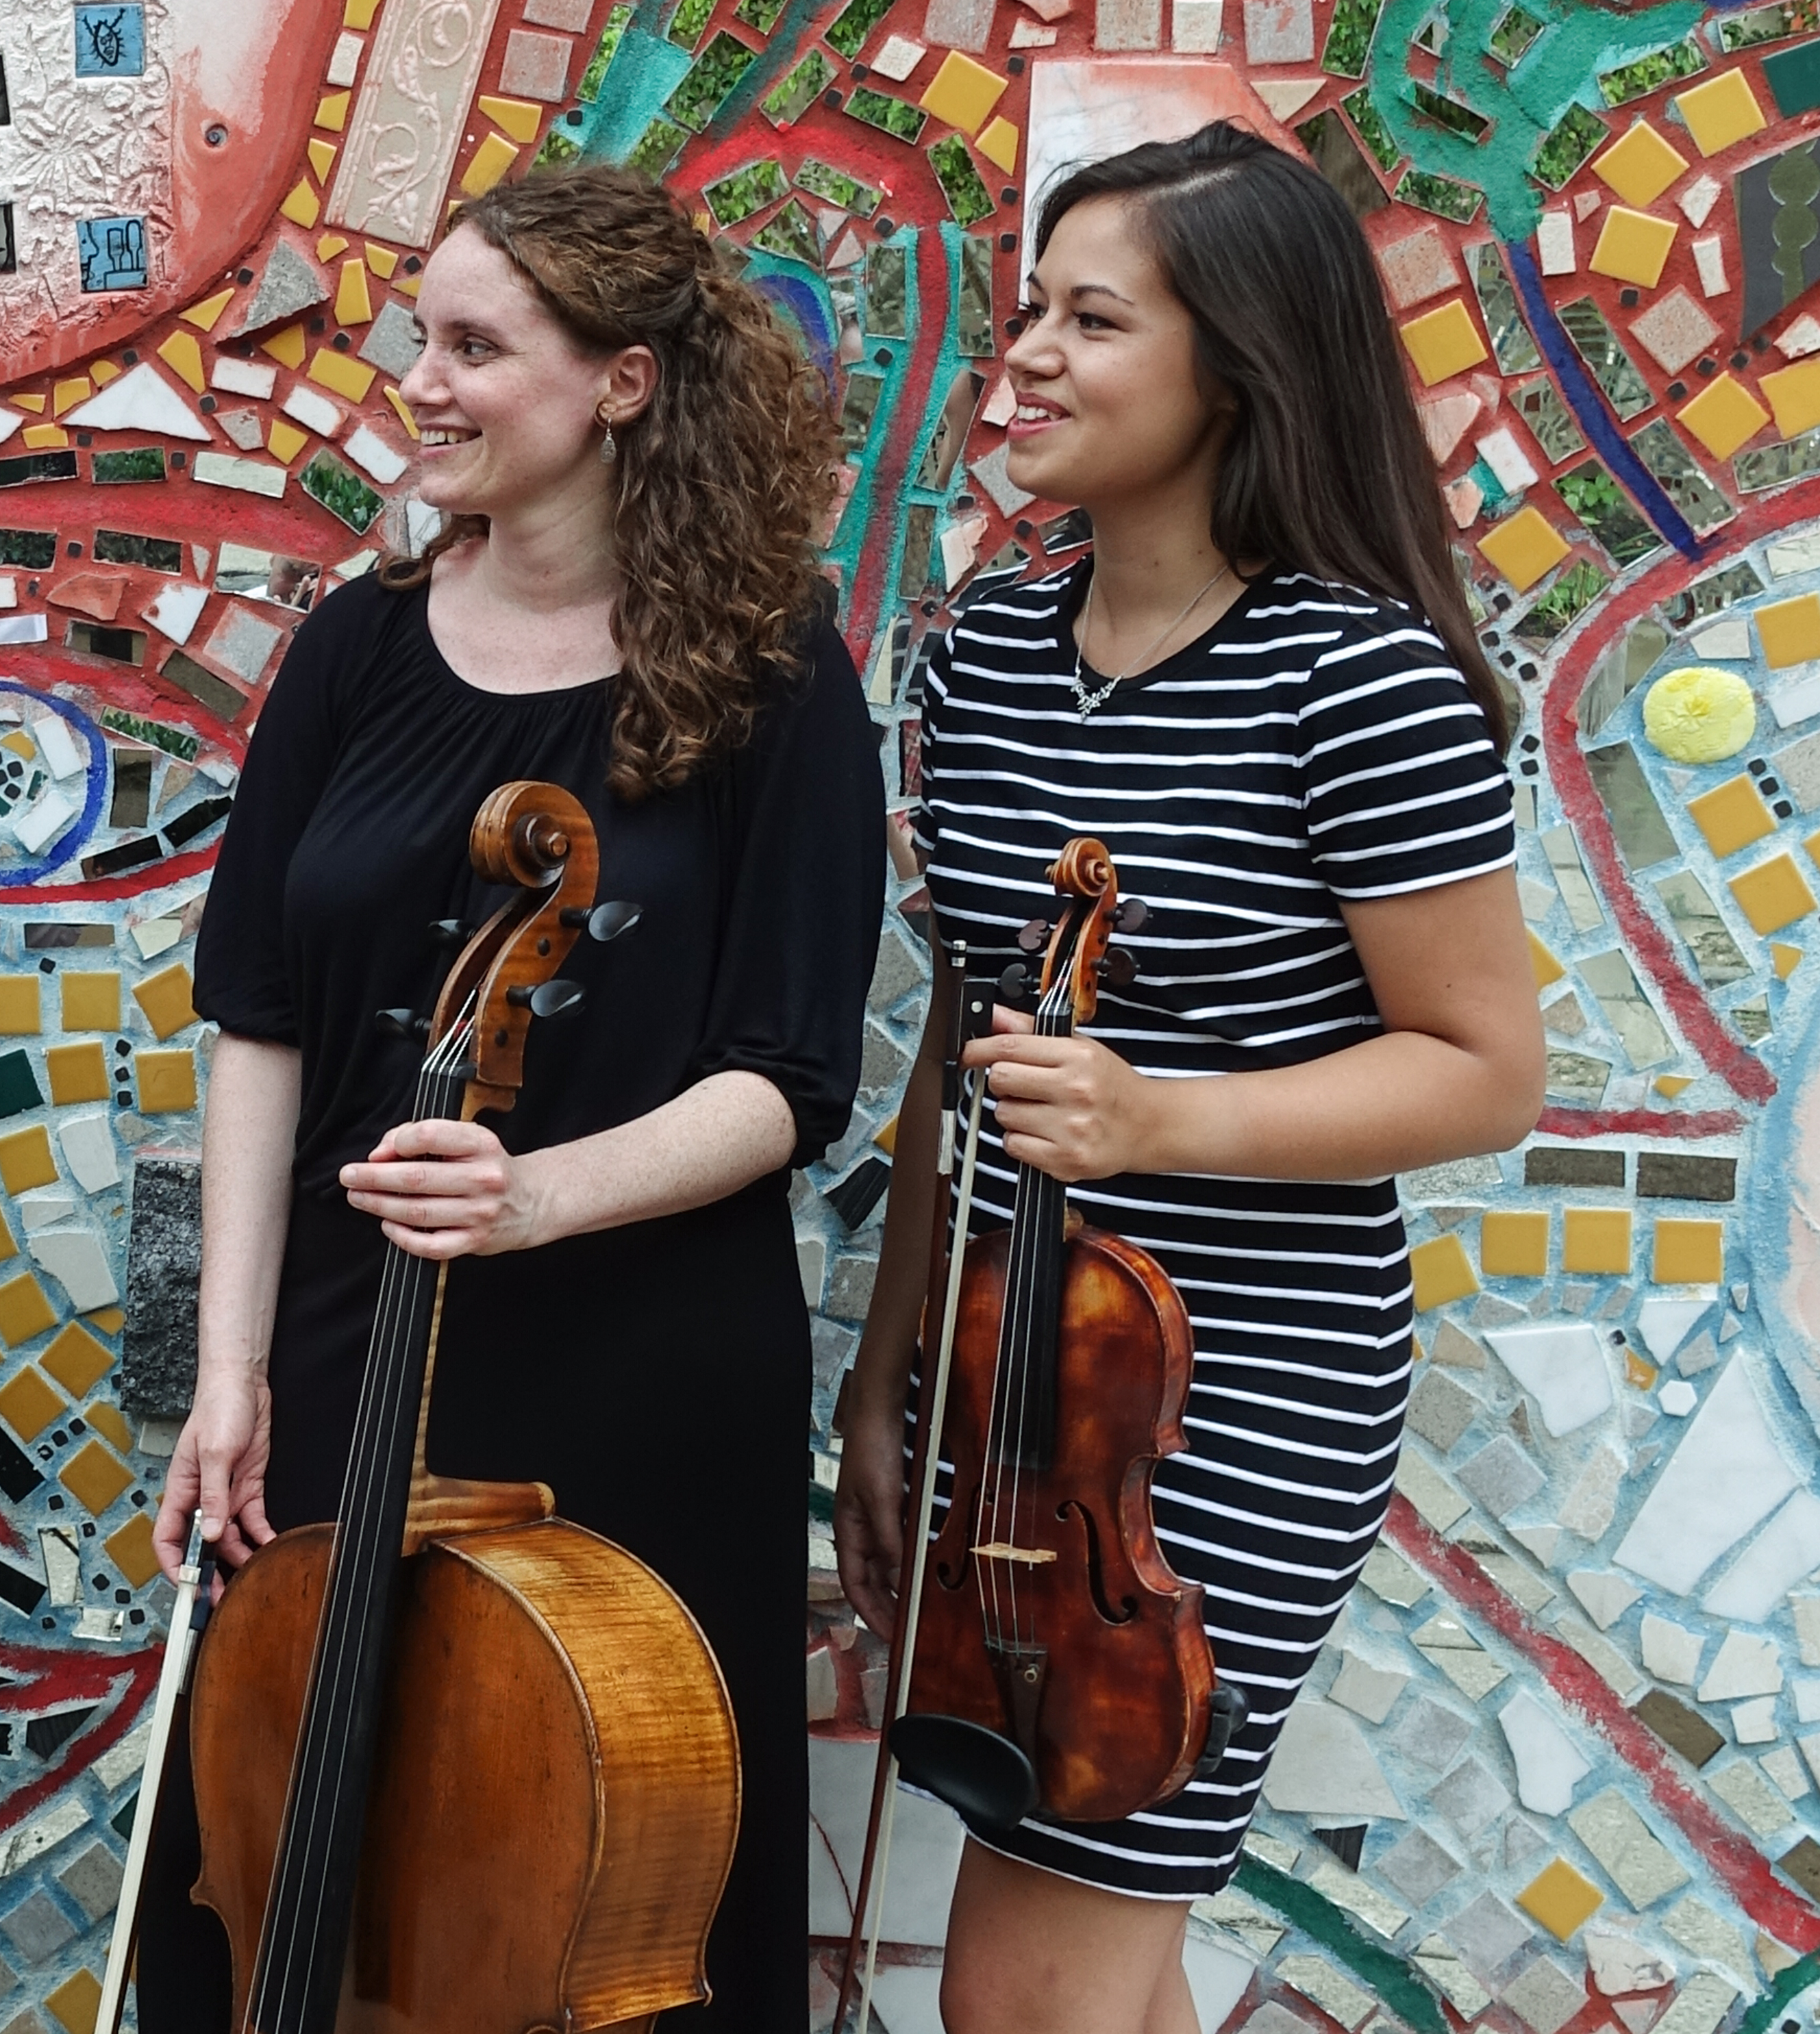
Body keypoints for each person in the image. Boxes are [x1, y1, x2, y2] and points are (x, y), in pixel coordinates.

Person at [140, 165, 883, 2027]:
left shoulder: (772, 674)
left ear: (620, 382)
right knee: (287, 1871)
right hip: (345, 1341)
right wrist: (227, 1371)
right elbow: (258, 1025)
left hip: (636, 1370)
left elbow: (789, 1080)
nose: (425, 381)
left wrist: (537, 1194)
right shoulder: (353, 650)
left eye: (475, 346)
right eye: (420, 339)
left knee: (602, 1920)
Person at [834, 121, 1545, 2034]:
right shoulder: (977, 654)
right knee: (1094, 1966)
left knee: (1032, 1977)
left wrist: (1167, 1121)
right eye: (1021, 315)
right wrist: (890, 1368)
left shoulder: (1356, 676)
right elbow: (965, 1059)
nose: (1023, 361)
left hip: (1233, 1409)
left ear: (1239, 357)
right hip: (1008, 1385)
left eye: (1089, 317)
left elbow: (1482, 1071)